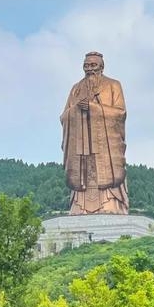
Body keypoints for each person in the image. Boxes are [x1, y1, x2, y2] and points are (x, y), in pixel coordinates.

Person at [60, 51, 129, 214]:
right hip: (81, 144)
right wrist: (76, 110)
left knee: (105, 171)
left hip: (104, 145)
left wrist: (94, 108)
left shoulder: (113, 85)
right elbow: (64, 116)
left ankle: (110, 203)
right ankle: (79, 207)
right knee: (82, 171)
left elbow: (120, 113)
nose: (89, 69)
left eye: (93, 65)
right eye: (86, 65)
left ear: (101, 67)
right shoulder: (76, 89)